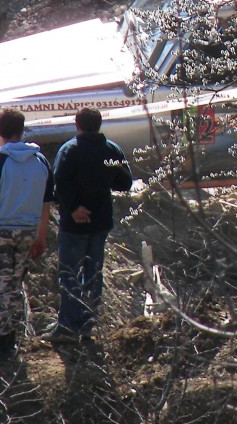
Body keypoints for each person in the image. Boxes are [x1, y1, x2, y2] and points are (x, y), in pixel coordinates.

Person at [0, 108, 53, 363]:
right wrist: (41, 236)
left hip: (2, 232)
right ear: (22, 129)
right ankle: (13, 339)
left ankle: (4, 346)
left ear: (0, 130)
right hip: (29, 232)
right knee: (14, 284)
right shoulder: (41, 162)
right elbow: (46, 204)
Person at [45, 107, 133, 345]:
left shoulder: (69, 150)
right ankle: (87, 324)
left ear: (77, 124)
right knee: (93, 274)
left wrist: (74, 208)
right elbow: (125, 182)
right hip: (100, 222)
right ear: (99, 124)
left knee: (70, 273)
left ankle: (67, 325)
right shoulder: (111, 150)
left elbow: (59, 182)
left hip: (74, 224)